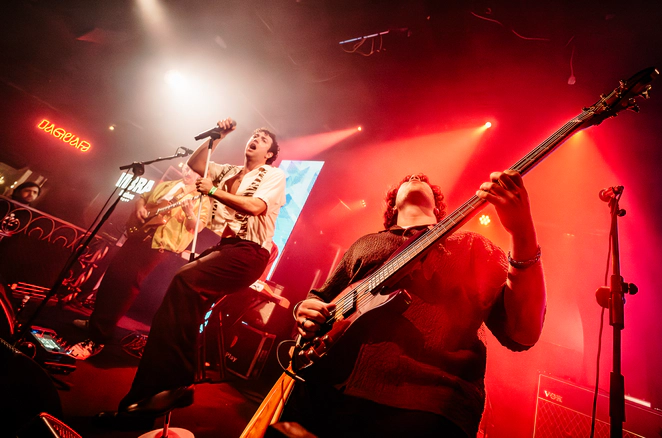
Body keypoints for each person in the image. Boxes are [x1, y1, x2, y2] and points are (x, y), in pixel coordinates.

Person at [281, 171, 546, 437]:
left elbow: (523, 332)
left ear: (437, 209)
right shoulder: (365, 243)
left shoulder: (471, 245)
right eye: (408, 179)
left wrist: (523, 232)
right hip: (321, 391)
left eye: (424, 181)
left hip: (426, 405)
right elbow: (322, 296)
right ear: (393, 207)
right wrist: (304, 309)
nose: (417, 176)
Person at [97, 118, 286, 426]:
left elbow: (255, 206)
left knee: (184, 280)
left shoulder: (273, 174)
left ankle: (179, 381)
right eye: (254, 135)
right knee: (171, 309)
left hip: (250, 252)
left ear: (270, 154)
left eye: (263, 139)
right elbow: (196, 165)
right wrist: (217, 137)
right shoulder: (228, 171)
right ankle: (141, 402)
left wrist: (213, 191)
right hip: (227, 247)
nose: (255, 139)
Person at [68, 165, 210, 360]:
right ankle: (96, 322)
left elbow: (197, 227)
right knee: (112, 277)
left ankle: (98, 338)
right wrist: (140, 208)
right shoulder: (169, 185)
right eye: (187, 168)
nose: (188, 173)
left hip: (158, 245)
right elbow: (142, 197)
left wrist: (189, 213)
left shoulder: (202, 198)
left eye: (194, 172)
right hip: (138, 236)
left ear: (203, 176)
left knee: (125, 286)